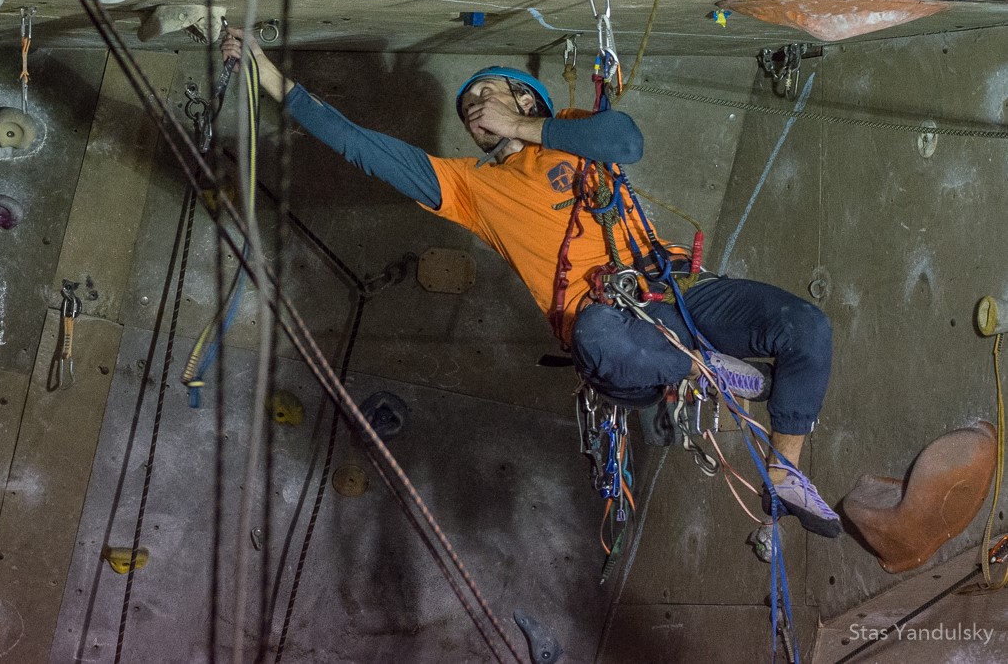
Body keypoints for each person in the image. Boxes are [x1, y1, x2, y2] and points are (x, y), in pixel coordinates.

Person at [220, 27, 841, 539]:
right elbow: (360, 146)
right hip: (610, 330)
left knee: (804, 326)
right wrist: (269, 77)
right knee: (595, 328)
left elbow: (627, 139)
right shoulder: (470, 187)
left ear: (527, 101)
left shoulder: (573, 131)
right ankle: (707, 371)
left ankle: (785, 471)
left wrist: (525, 131)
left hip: (676, 292)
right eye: (469, 108)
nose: (474, 107)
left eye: (487, 93)